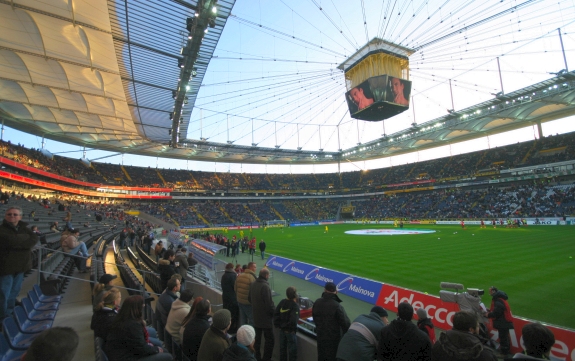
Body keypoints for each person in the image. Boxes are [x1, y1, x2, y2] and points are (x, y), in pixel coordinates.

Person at [105, 295, 172, 361]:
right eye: (141, 306)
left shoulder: (123, 318)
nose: (143, 308)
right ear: (136, 309)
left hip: (125, 353)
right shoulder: (132, 325)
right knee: (168, 356)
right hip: (126, 357)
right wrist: (157, 349)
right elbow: (142, 348)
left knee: (161, 348)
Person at [0, 206, 38, 320]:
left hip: (21, 266)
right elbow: (9, 241)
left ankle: (9, 314)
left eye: (15, 214)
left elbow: (34, 239)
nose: (12, 216)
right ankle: (2, 316)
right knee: (3, 294)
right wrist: (22, 240)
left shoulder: (25, 229)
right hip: (5, 267)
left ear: (20, 216)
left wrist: (17, 241)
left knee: (14, 293)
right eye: (9, 214)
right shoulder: (2, 229)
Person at [431, 311, 497, 361]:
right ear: (471, 329)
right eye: (477, 326)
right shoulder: (485, 354)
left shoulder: (439, 345)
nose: (479, 328)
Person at [312, 281, 351, 361]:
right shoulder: (337, 306)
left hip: (321, 337)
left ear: (324, 290)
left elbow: (315, 318)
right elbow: (346, 324)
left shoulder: (317, 302)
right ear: (336, 292)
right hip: (334, 341)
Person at [248, 268, 275, 361]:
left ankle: (257, 357)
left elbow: (249, 299)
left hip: (256, 317)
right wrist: (274, 313)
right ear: (266, 276)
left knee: (257, 340)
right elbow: (269, 305)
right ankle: (266, 359)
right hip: (266, 319)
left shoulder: (253, 284)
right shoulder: (265, 287)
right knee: (270, 340)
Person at [484, 286, 514, 357]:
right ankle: (504, 351)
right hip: (504, 321)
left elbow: (497, 312)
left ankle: (504, 353)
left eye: (490, 291)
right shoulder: (500, 299)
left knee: (503, 337)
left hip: (503, 322)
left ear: (494, 291)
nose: (490, 293)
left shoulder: (498, 300)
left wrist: (488, 314)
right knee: (504, 337)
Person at [274, 286, 300, 361]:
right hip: (290, 332)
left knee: (282, 351)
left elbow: (276, 314)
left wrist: (279, 325)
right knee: (292, 353)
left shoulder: (282, 302)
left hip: (282, 330)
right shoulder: (294, 306)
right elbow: (294, 321)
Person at [235, 261, 257, 327]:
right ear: (251, 268)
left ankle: (242, 335)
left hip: (240, 301)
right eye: (255, 267)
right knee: (252, 320)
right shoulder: (252, 278)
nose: (256, 268)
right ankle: (249, 335)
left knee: (242, 319)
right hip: (248, 303)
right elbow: (254, 292)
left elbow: (235, 288)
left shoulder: (240, 276)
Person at [222, 263, 240, 333]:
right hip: (232, 299)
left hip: (225, 298)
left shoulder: (224, 275)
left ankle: (227, 328)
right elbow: (235, 287)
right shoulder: (233, 276)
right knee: (233, 315)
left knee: (227, 313)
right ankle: (232, 330)